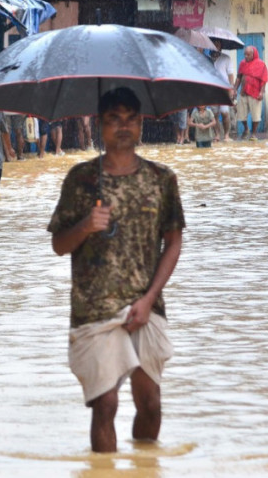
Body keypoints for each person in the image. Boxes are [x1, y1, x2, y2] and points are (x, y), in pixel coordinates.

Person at [48, 87, 184, 452]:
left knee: (151, 405)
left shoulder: (162, 179)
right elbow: (59, 245)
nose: (123, 127)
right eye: (113, 119)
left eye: (130, 119)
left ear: (141, 124)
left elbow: (173, 242)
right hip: (94, 307)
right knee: (105, 406)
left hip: (146, 306)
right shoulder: (81, 180)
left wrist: (150, 297)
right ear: (99, 126)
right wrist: (86, 226)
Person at [233, 46, 268, 140]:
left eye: (248, 54)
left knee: (255, 115)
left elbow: (264, 80)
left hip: (255, 93)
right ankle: (246, 128)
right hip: (243, 92)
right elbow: (239, 77)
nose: (246, 56)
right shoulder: (242, 63)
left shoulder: (261, 64)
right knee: (241, 114)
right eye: (245, 54)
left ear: (253, 54)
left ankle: (253, 133)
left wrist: (261, 92)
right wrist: (235, 89)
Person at [210, 40, 236, 141]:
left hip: (225, 89)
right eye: (214, 44)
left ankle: (226, 135)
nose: (216, 46)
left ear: (221, 46)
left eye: (218, 44)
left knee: (225, 113)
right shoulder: (208, 59)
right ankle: (217, 135)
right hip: (212, 90)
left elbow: (230, 75)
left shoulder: (226, 58)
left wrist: (232, 88)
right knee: (214, 114)